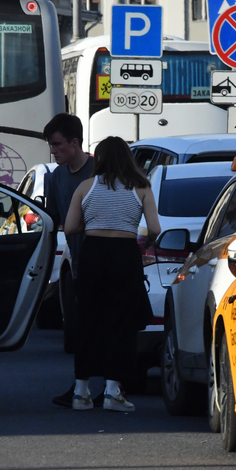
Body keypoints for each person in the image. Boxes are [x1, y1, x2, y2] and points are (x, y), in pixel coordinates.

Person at [63, 136, 161, 412]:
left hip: (93, 253)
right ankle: (112, 390)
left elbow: (70, 228)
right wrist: (146, 240)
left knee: (88, 320)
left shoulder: (86, 186)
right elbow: (155, 228)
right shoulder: (141, 186)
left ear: (100, 157)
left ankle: (81, 391)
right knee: (121, 322)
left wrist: (93, 222)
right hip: (125, 254)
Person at [43, 114, 97, 408]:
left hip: (105, 257)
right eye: (51, 145)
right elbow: (53, 219)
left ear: (75, 142)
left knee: (106, 326)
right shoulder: (55, 178)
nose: (53, 151)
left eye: (57, 144)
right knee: (83, 328)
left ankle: (111, 386)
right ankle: (84, 386)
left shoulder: (99, 171)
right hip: (77, 262)